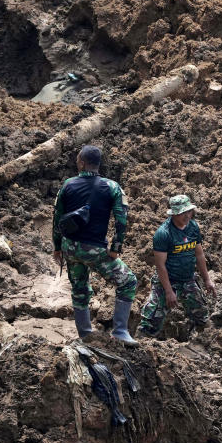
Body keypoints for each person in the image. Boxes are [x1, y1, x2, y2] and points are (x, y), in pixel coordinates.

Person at [52, 146, 138, 346]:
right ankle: (120, 332)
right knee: (128, 282)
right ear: (98, 164)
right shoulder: (112, 187)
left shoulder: (67, 185)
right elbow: (121, 220)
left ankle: (85, 334)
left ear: (81, 162)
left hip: (70, 248)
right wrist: (116, 247)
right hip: (96, 251)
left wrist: (57, 247)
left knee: (79, 288)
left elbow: (57, 220)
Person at [137, 195, 216, 337]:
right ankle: (141, 344)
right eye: (182, 213)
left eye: (188, 212)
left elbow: (199, 255)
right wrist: (168, 291)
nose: (186, 216)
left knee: (202, 315)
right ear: (173, 214)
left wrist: (207, 280)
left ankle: (201, 340)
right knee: (151, 321)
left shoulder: (193, 227)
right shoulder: (163, 234)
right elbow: (160, 266)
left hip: (187, 279)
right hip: (167, 280)